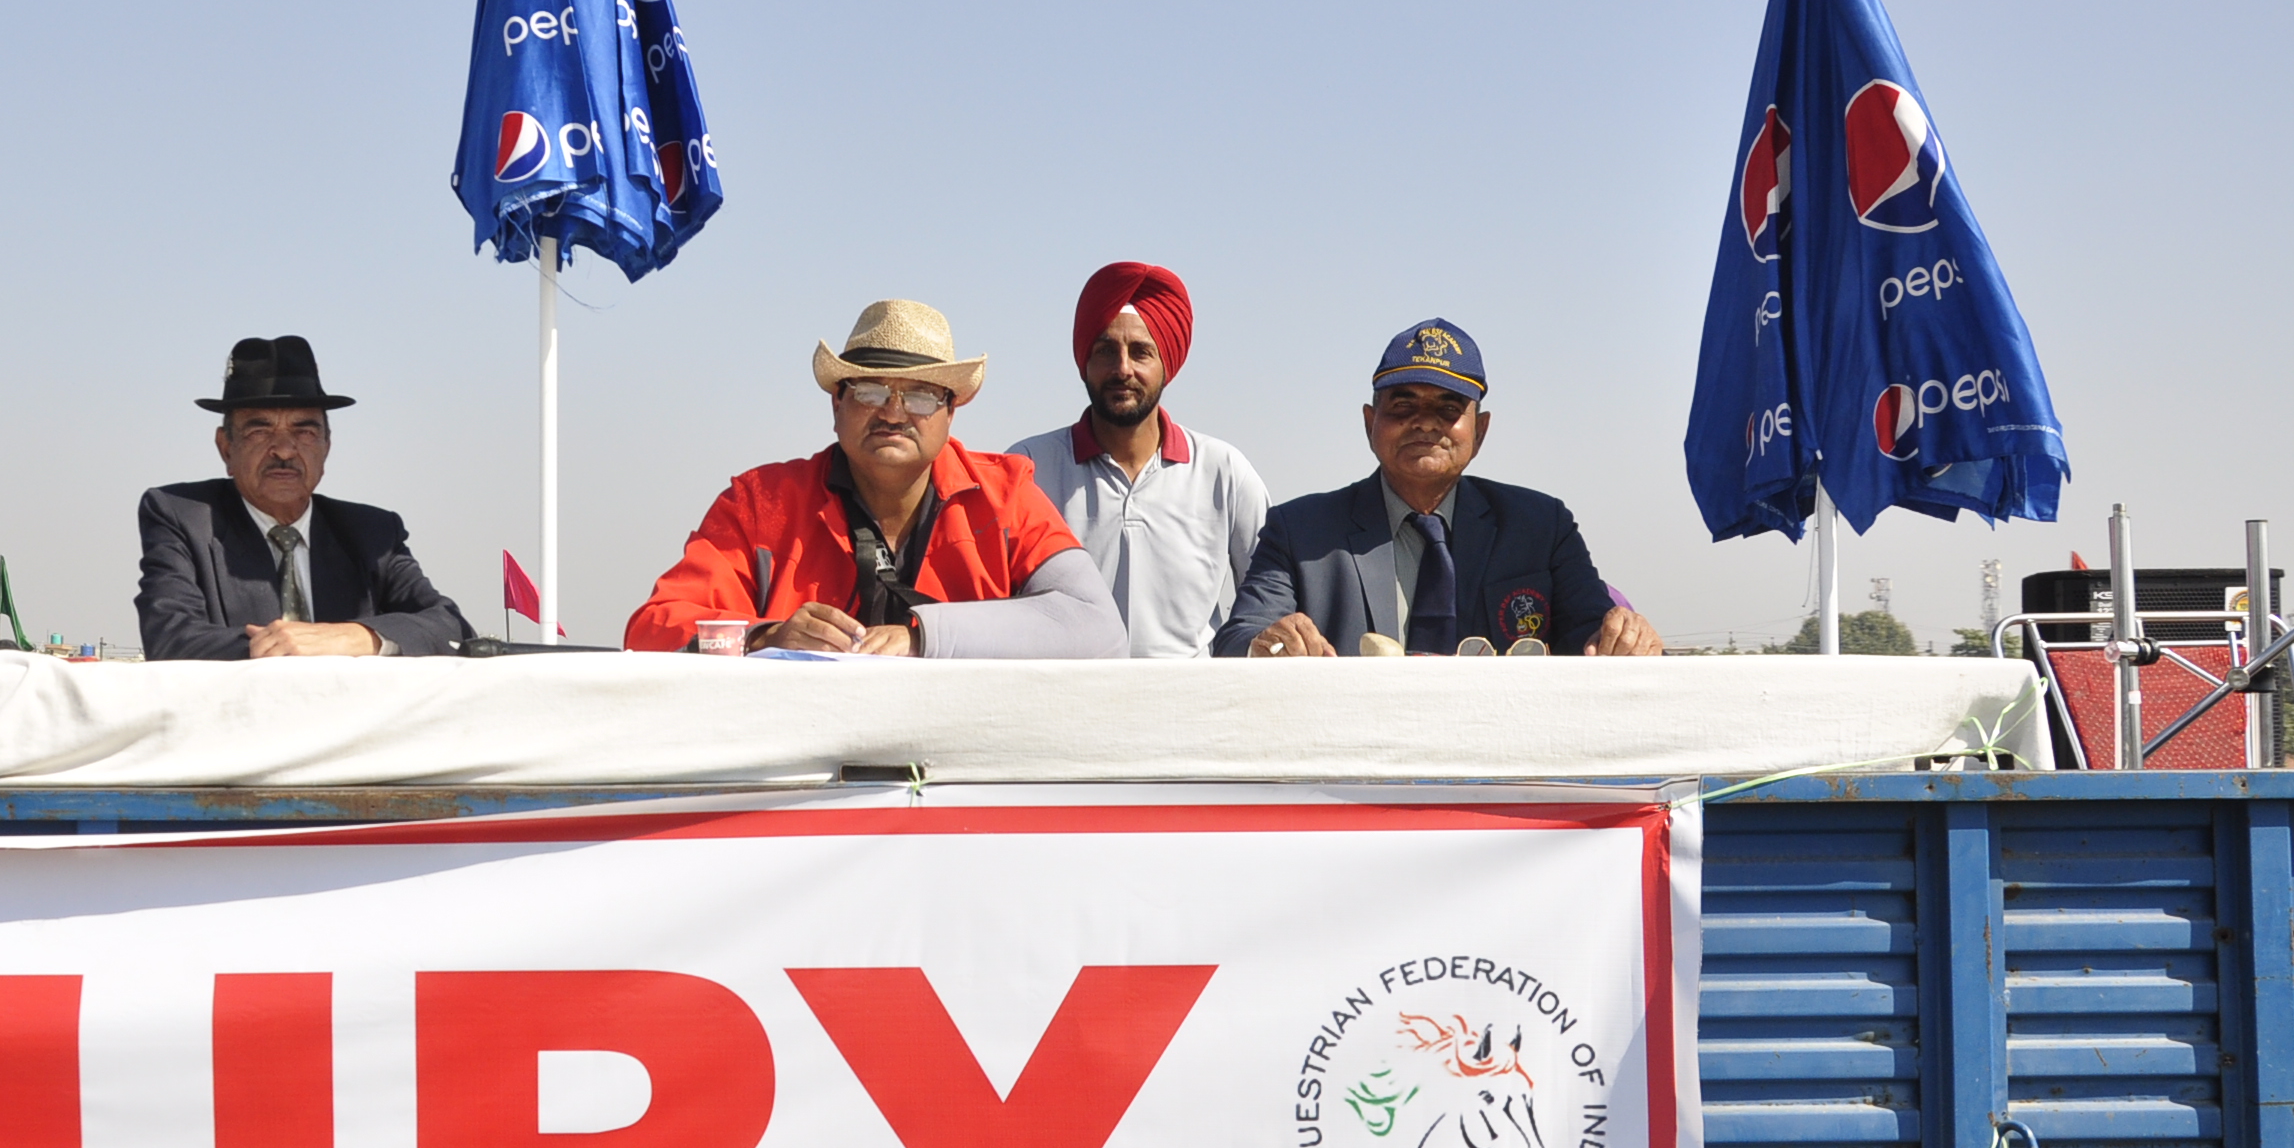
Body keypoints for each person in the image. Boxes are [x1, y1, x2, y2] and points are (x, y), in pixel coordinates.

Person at [625, 300, 1128, 658]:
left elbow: (1099, 628)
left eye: (922, 395)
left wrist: (924, 637)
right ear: (837, 404)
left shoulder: (1006, 495)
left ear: (951, 413)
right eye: (870, 390)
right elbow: (650, 630)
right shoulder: (760, 504)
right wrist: (764, 638)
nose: (893, 412)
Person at [1217, 319, 1664, 659]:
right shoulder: (1300, 531)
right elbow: (1237, 638)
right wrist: (1268, 643)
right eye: (1403, 405)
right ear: (1370, 423)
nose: (1425, 423)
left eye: (1448, 408)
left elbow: (1591, 634)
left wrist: (1625, 638)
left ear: (1480, 431)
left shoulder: (1542, 527)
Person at [136, 335, 472, 661]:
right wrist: (280, 645)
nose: (284, 450)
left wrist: (357, 636)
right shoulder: (183, 516)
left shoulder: (373, 532)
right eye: (259, 430)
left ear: (327, 446)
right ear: (226, 448)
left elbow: (451, 627)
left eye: (305, 432)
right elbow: (168, 636)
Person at [1008, 262, 1270, 658]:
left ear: (1167, 365)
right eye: (1105, 351)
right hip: (1066, 694)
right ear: (1084, 362)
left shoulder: (1224, 473)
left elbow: (1267, 603)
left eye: (1141, 352)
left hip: (1191, 695)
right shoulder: (1028, 469)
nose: (1123, 369)